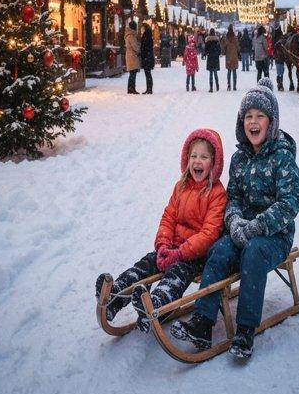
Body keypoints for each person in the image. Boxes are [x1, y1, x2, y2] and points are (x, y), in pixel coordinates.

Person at [171, 78, 299, 359]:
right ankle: (203, 322)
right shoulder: (239, 158)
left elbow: (289, 204)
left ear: (272, 122)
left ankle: (245, 330)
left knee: (253, 253)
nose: (253, 122)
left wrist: (255, 228)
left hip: (274, 235)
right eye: (248, 117)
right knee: (219, 249)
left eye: (260, 116)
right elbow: (234, 198)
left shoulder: (282, 157)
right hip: (242, 229)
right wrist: (234, 223)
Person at [95, 129, 227, 333]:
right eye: (193, 156)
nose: (197, 161)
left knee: (175, 275)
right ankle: (114, 297)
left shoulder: (217, 194)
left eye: (204, 156)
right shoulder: (180, 187)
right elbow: (168, 217)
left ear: (214, 162)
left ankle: (157, 306)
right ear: (186, 159)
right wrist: (163, 245)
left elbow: (209, 233)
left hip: (195, 256)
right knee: (146, 264)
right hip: (171, 248)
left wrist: (181, 253)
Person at [125, 20, 140, 94]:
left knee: (132, 73)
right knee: (133, 73)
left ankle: (130, 88)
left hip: (130, 55)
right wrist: (139, 49)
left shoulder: (129, 35)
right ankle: (132, 89)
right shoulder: (131, 36)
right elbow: (135, 46)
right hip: (132, 56)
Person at [205, 28, 221, 92]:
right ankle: (217, 86)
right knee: (215, 73)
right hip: (215, 58)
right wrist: (217, 54)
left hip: (210, 58)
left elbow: (205, 51)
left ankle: (211, 87)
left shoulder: (208, 41)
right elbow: (219, 50)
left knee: (211, 74)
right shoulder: (217, 41)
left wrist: (208, 53)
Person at [140, 21, 155, 94]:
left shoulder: (146, 36)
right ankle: (149, 89)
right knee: (148, 73)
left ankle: (149, 89)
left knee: (148, 73)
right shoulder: (148, 35)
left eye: (142, 27)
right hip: (148, 56)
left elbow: (145, 46)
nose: (141, 29)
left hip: (147, 57)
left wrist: (142, 51)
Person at [225, 24, 240, 91]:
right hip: (234, 55)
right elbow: (237, 46)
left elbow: (224, 46)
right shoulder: (235, 37)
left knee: (229, 71)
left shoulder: (226, 37)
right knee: (234, 71)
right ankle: (234, 86)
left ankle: (229, 85)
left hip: (228, 56)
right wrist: (238, 51)